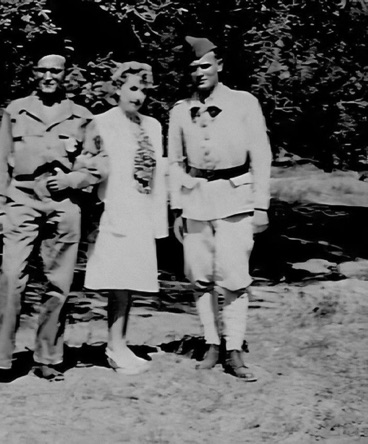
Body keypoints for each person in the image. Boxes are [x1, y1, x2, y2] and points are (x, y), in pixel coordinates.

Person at [0, 38, 107, 387]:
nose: (48, 76)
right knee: (10, 280)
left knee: (58, 284)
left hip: (64, 206)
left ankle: (48, 358)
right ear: (34, 73)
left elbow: (97, 165)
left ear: (65, 75)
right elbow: (0, 164)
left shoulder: (82, 117)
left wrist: (72, 180)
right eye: (42, 70)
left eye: (55, 71)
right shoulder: (15, 111)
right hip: (21, 200)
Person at [167, 36, 271, 381]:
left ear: (219, 66)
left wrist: (261, 205)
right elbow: (174, 162)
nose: (199, 72)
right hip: (196, 199)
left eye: (205, 66)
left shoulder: (244, 103)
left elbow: (261, 155)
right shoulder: (180, 110)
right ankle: (212, 343)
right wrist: (177, 207)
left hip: (235, 197)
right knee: (200, 278)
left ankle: (234, 349)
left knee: (234, 277)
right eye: (193, 68)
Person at [83, 61, 168, 375]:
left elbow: (158, 177)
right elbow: (89, 169)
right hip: (113, 211)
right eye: (132, 88)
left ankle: (119, 344)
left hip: (140, 212)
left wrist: (158, 222)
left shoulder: (153, 126)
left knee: (130, 281)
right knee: (117, 281)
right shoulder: (101, 123)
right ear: (117, 89)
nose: (139, 96)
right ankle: (113, 347)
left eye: (144, 90)